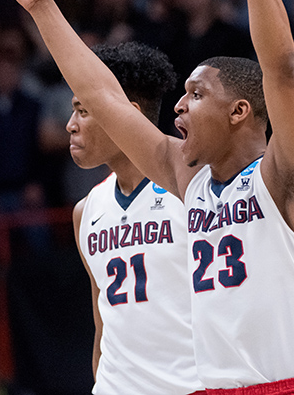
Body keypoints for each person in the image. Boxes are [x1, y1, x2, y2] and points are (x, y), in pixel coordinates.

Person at [0, 0, 294, 393]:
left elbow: (282, 69)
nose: (178, 105)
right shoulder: (189, 181)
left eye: (195, 94)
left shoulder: (286, 177)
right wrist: (42, 8)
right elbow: (104, 96)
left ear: (240, 112)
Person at [68, 42, 203, 395]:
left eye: (84, 111)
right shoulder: (86, 210)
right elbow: (103, 325)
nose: (70, 126)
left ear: (126, 113)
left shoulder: (192, 189)